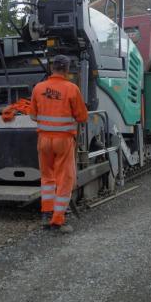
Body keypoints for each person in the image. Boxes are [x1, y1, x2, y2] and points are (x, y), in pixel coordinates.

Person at [30, 55, 88, 233]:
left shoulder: (38, 88)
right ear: (67, 70)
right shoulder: (72, 89)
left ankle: (46, 215)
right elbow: (82, 117)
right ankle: (58, 220)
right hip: (63, 141)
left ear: (52, 68)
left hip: (43, 141)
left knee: (47, 177)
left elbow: (33, 116)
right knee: (64, 179)